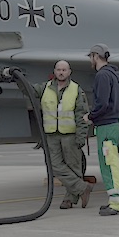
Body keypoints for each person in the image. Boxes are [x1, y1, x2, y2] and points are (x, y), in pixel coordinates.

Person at [35, 60, 93, 209]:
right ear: (54, 71)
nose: (61, 72)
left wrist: (81, 136)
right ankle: (82, 188)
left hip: (70, 135)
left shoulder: (76, 90)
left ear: (69, 72)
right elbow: (28, 89)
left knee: (74, 166)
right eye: (58, 70)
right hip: (52, 134)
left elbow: (82, 114)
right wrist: (15, 77)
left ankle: (69, 199)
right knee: (54, 165)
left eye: (64, 70)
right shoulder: (45, 88)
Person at [83, 44, 119, 215]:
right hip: (111, 125)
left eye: (90, 56)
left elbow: (102, 103)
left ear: (95, 56)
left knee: (109, 164)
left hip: (106, 126)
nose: (90, 60)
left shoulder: (102, 76)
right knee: (110, 163)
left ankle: (117, 204)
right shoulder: (112, 74)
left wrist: (90, 116)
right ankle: (114, 200)